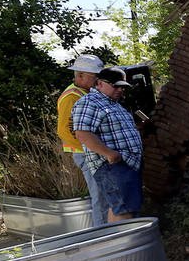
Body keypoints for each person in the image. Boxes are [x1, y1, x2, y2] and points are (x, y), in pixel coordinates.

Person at [72, 67, 143, 222]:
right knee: (125, 210)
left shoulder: (112, 103)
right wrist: (110, 154)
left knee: (121, 208)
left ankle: (119, 244)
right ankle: (124, 245)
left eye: (123, 86)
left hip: (124, 164)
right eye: (115, 85)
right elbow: (82, 133)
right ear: (99, 83)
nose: (120, 89)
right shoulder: (89, 102)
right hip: (112, 165)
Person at [57, 54, 107, 226]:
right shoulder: (71, 96)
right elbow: (64, 130)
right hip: (87, 154)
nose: (98, 80)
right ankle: (103, 236)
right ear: (80, 75)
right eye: (94, 76)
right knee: (100, 197)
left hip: (92, 152)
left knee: (104, 195)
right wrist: (93, 147)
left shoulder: (85, 92)